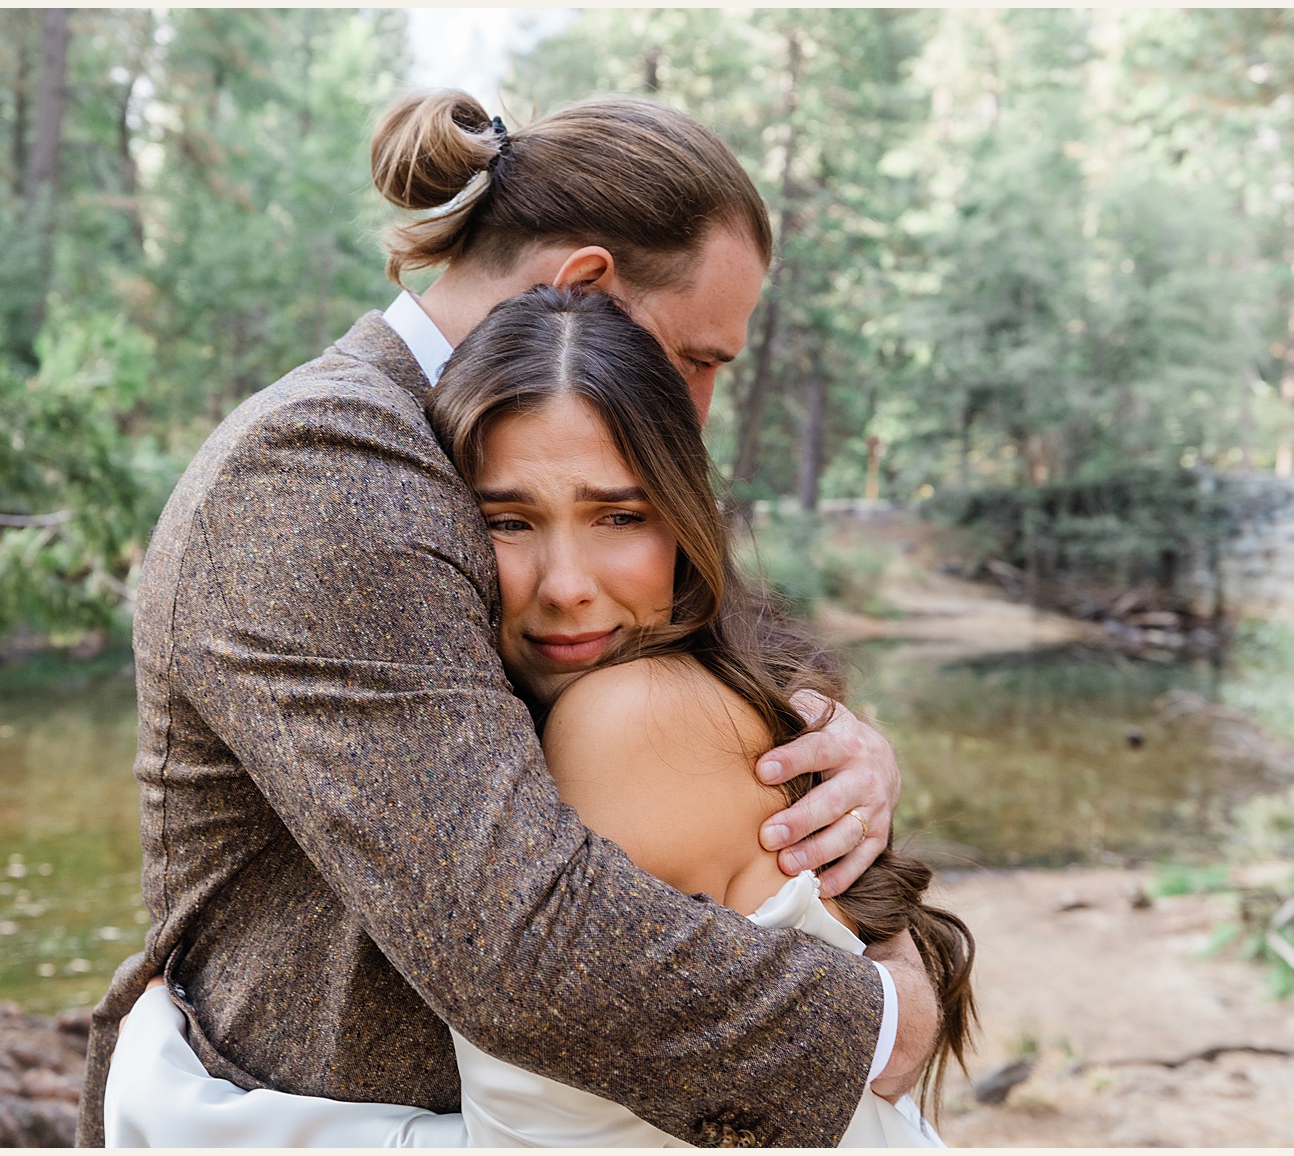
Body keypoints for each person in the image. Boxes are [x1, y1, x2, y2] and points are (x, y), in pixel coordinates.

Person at [80, 90, 940, 1148]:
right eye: (703, 359)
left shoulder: (492, 457)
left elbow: (705, 735)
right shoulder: (324, 466)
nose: (701, 411)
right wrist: (882, 1017)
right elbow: (524, 939)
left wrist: (838, 770)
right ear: (586, 291)